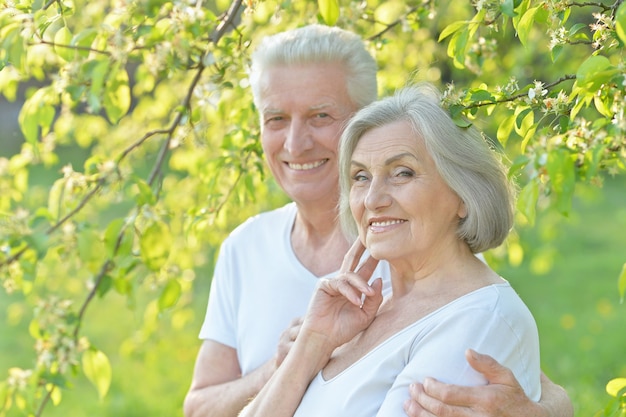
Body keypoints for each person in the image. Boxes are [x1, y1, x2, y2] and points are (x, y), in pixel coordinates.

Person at [183, 24, 573, 417]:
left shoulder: (424, 257)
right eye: (277, 119)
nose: (295, 143)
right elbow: (198, 407)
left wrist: (552, 412)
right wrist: (296, 356)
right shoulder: (249, 247)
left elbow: (503, 347)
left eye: (320, 115)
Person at [240, 84, 540, 416]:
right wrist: (313, 341)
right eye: (360, 177)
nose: (373, 200)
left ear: (463, 195)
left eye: (402, 173)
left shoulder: (480, 318)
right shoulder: (363, 315)